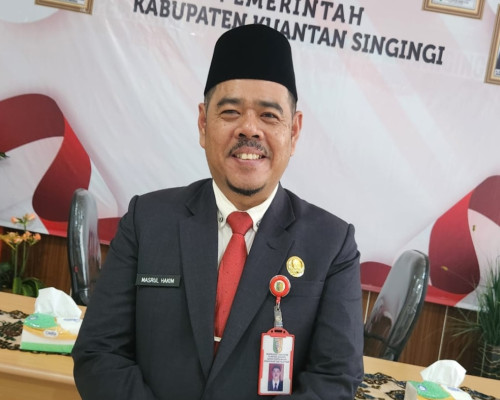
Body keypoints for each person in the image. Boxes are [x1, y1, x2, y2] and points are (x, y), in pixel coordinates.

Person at [72, 23, 364, 399]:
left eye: (269, 116)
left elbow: (334, 379)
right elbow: (99, 353)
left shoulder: (332, 244)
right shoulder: (147, 220)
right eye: (230, 112)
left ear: (294, 132)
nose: (249, 130)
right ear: (203, 123)